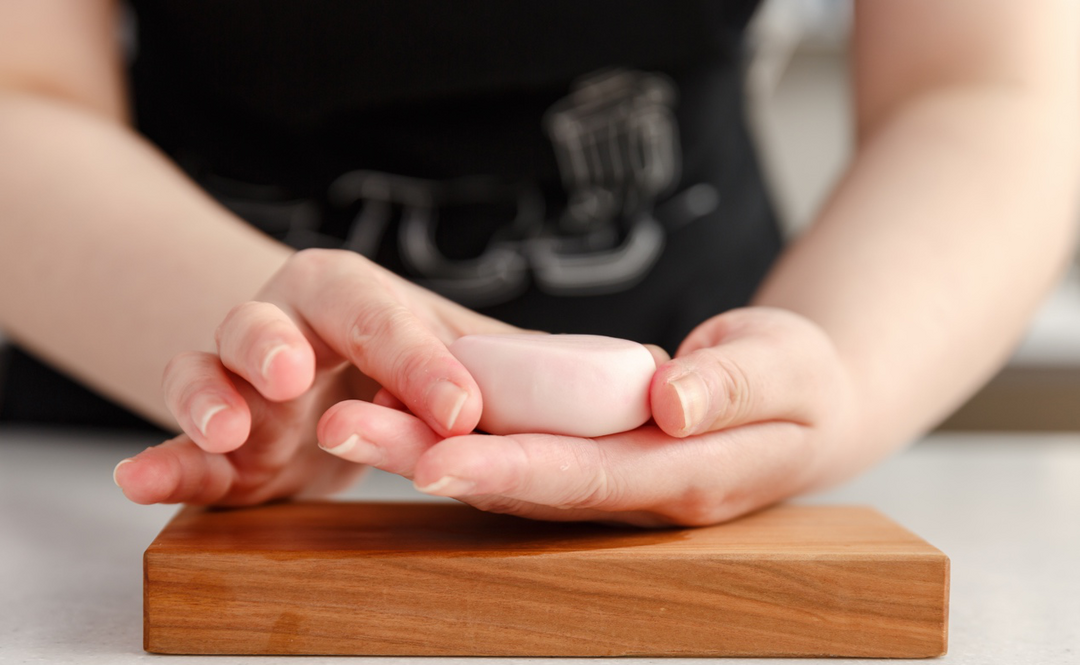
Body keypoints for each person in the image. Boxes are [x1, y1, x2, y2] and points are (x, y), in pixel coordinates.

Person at [0, 0, 1076, 526]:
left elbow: (984, 85)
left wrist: (841, 370)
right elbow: (20, 93)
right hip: (163, 401)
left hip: (702, 425)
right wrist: (271, 349)